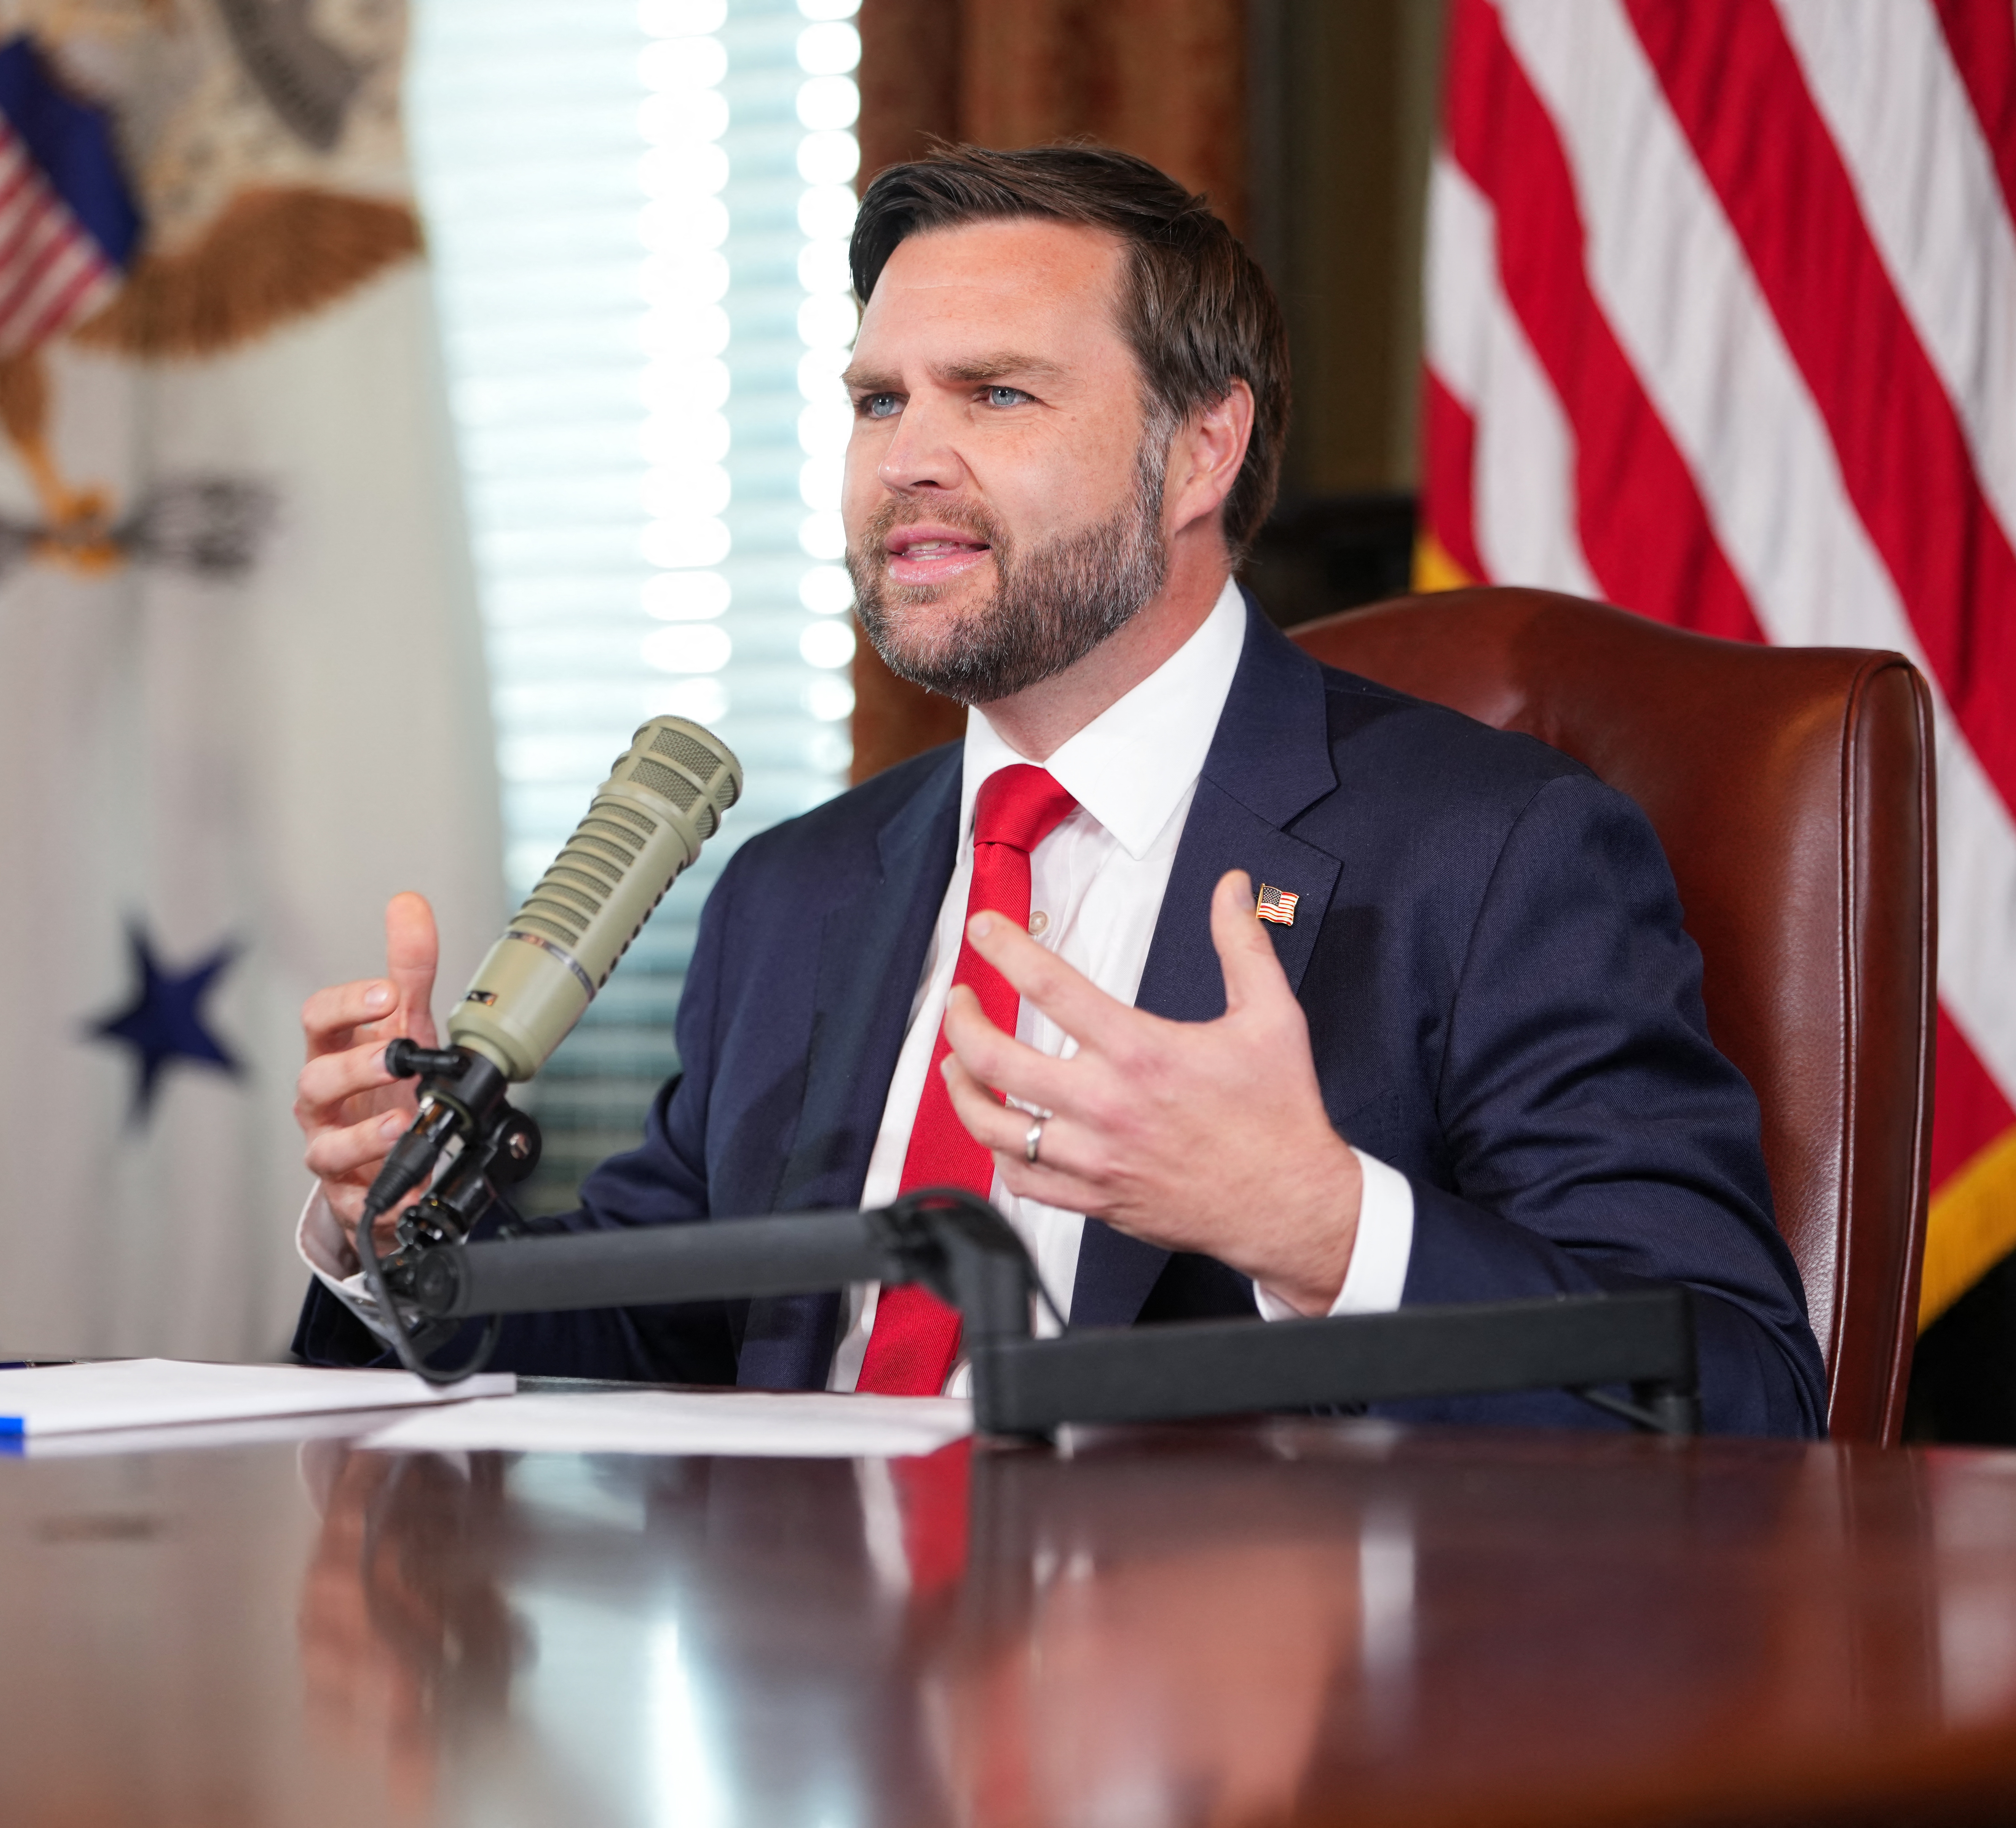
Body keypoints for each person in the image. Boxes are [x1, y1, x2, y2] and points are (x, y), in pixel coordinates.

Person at [289, 144, 1825, 1434]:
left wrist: (1317, 1223)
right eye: (878, 400)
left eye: (996, 396)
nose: (906, 459)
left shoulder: (1492, 850)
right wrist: (402, 1230)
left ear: (1197, 451)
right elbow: (654, 1347)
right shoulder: (791, 893)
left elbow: (1736, 1386)